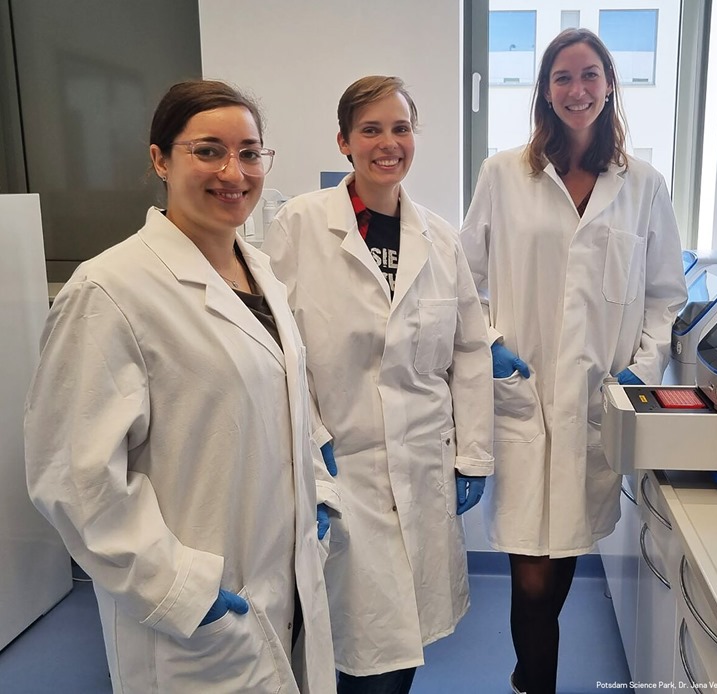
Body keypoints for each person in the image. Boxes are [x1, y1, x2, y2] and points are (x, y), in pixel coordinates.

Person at [24, 79, 337, 693]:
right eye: (207, 150)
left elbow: (282, 403)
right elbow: (72, 477)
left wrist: (319, 494)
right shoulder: (111, 289)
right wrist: (180, 590)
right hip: (196, 613)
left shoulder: (261, 273)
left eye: (249, 152)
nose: (233, 172)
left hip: (288, 580)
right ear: (160, 159)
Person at [460, 28, 688, 694]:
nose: (577, 89)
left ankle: (532, 675)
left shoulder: (643, 185)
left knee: (562, 554)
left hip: (596, 400)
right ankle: (535, 682)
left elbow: (665, 295)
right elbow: (463, 279)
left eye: (589, 75)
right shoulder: (505, 173)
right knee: (531, 574)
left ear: (611, 83)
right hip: (524, 396)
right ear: (544, 91)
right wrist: (492, 342)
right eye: (562, 77)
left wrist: (639, 373)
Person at [263, 75, 494, 694]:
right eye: (371, 129)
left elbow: (471, 349)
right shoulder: (298, 226)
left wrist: (471, 455)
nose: (387, 143)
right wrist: (309, 443)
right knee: (353, 644)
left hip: (421, 466)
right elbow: (279, 346)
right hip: (341, 469)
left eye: (400, 128)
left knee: (403, 643)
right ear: (344, 142)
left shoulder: (441, 239)